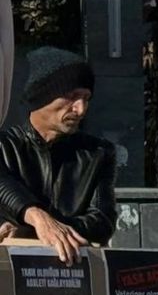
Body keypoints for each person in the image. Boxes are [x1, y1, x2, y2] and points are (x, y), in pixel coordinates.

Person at [0, 47, 117, 264]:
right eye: (72, 97)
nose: (81, 109)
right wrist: (35, 217)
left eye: (86, 98)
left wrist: (36, 232)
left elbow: (102, 222)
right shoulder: (5, 147)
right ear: (41, 97)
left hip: (71, 273)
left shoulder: (97, 154)